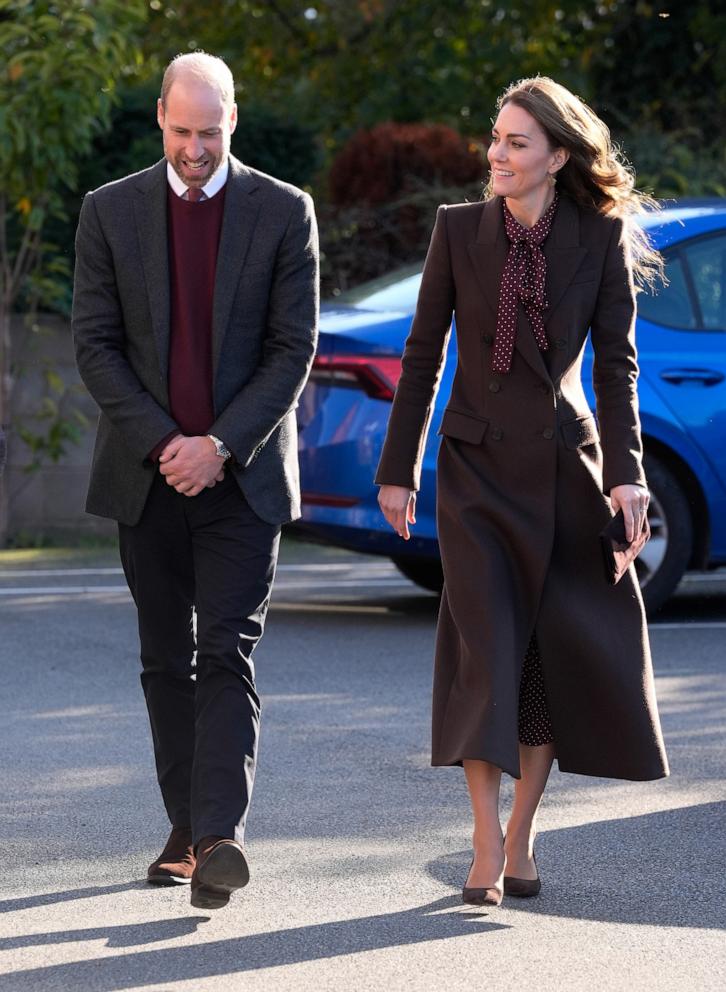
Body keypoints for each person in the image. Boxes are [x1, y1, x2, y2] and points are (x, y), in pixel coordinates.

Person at [376, 76, 669, 907]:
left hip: (561, 477)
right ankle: (480, 837)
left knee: (541, 663)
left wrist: (628, 476)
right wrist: (399, 470)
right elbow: (423, 354)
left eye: (516, 143)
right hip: (472, 475)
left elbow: (617, 369)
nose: (497, 155)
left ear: (557, 157)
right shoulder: (457, 231)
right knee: (484, 655)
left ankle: (522, 833)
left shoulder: (598, 237)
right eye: (495, 139)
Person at [72, 52, 319, 910]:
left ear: (233, 122)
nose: (195, 148)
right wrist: (167, 443)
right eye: (182, 131)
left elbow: (294, 349)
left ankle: (217, 838)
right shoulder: (110, 212)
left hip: (241, 483)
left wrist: (218, 443)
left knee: (225, 652)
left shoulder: (285, 212)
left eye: (209, 132)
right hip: (147, 481)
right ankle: (187, 827)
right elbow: (95, 345)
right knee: (161, 661)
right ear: (160, 120)